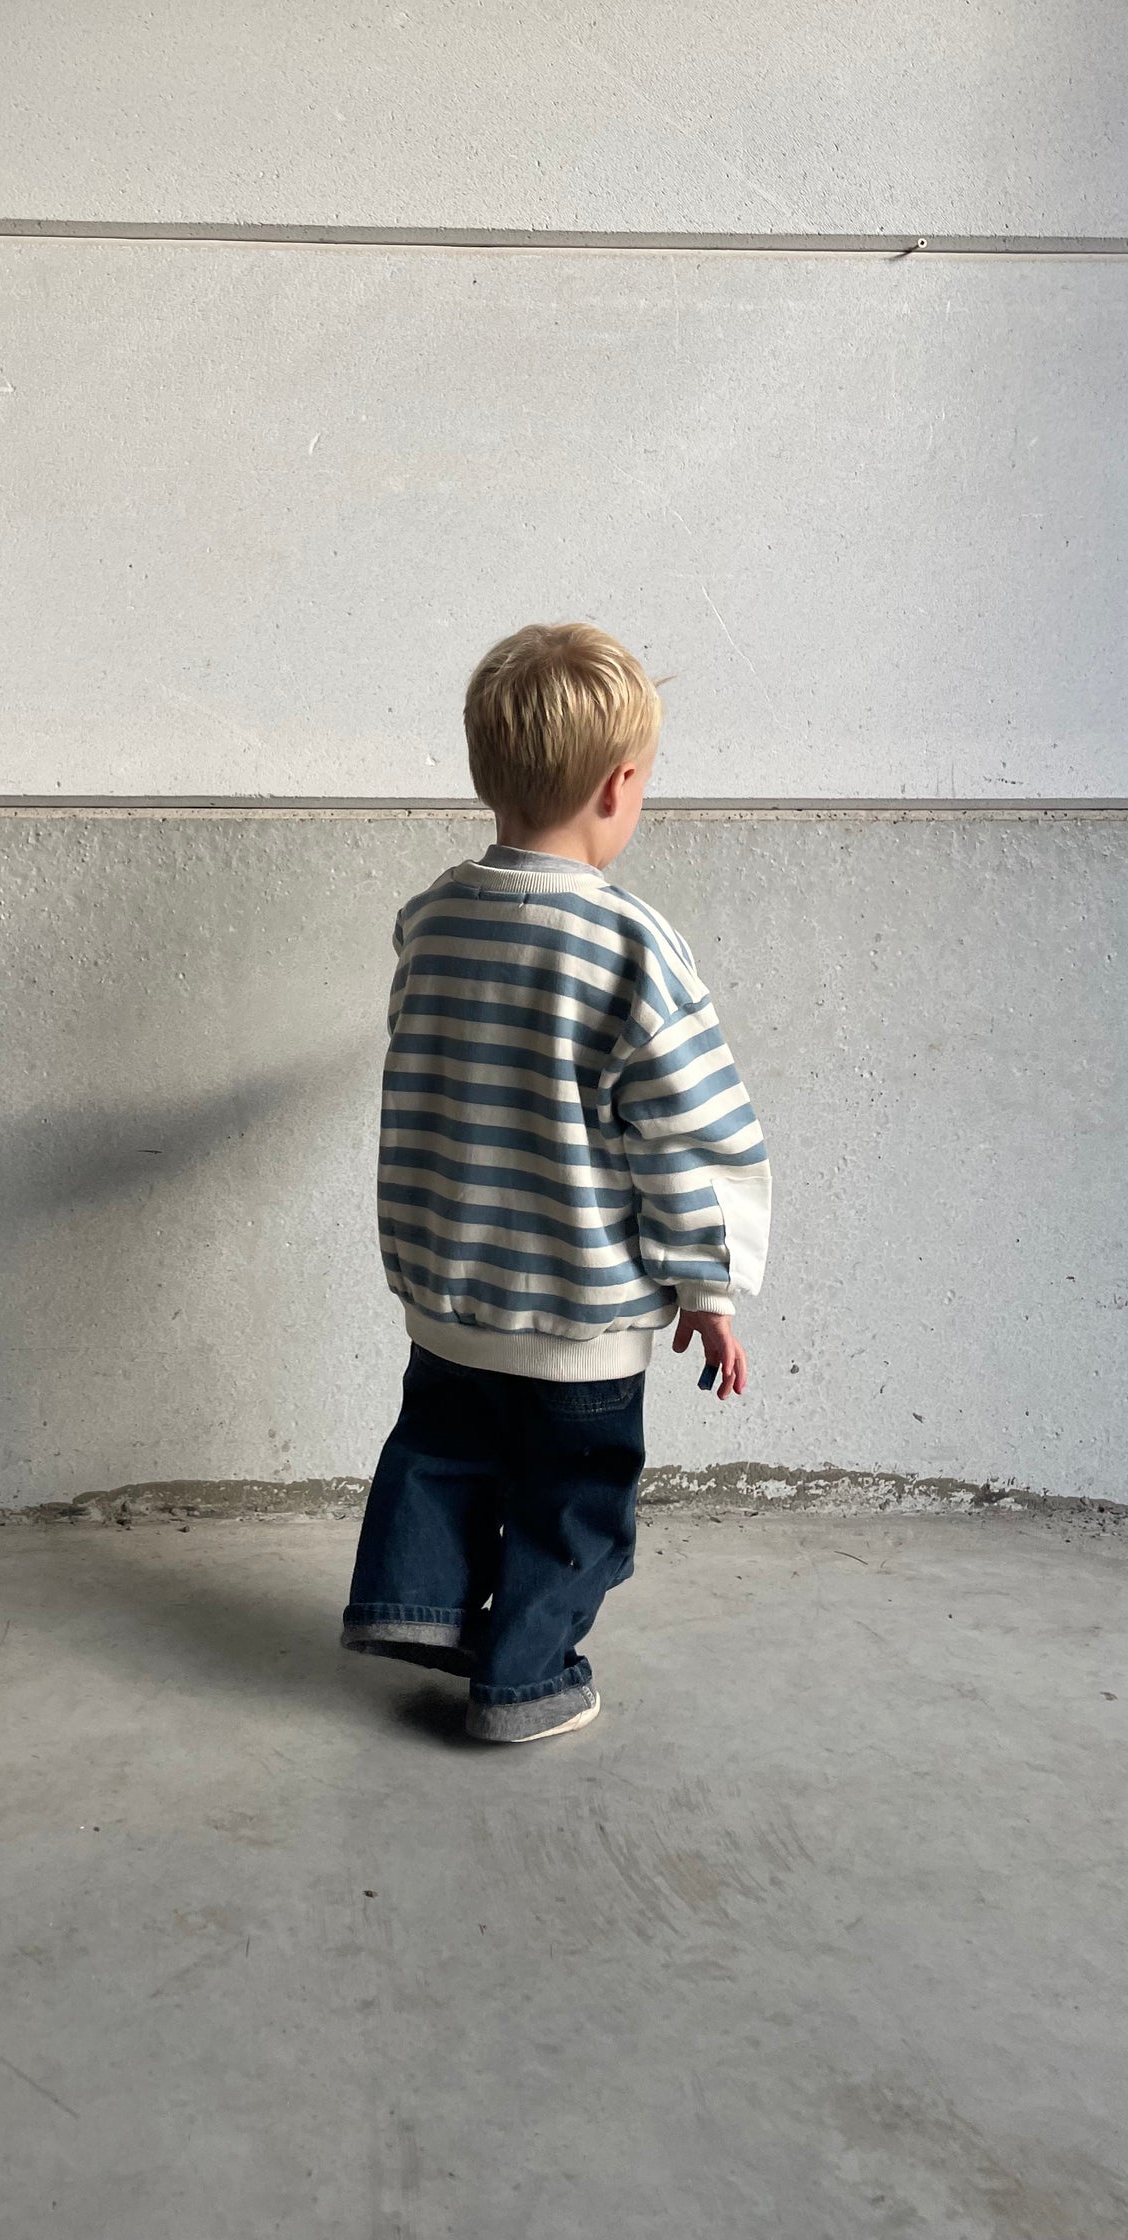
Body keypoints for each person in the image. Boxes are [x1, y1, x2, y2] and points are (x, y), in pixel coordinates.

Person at [341, 622, 771, 1742]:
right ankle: (525, 1683)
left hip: (450, 1291)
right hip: (578, 1312)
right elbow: (685, 1132)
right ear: (620, 787)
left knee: (439, 1448)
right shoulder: (633, 947)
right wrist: (708, 1287)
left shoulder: (431, 921)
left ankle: (419, 1603)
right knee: (571, 1498)